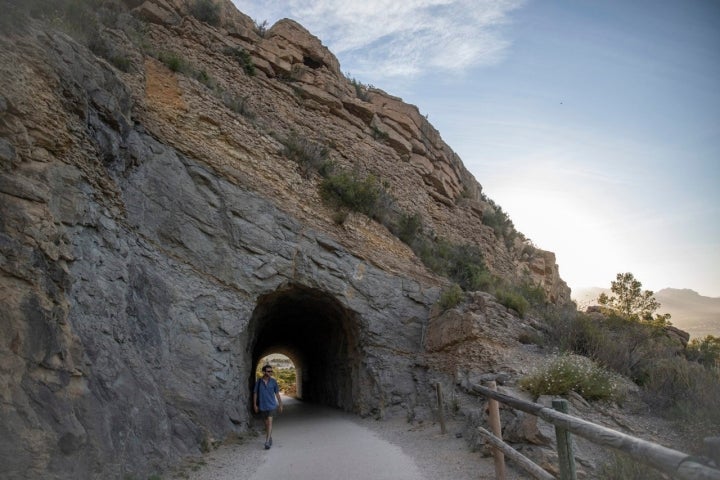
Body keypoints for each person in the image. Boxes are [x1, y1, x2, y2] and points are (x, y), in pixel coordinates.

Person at [253, 364, 283, 449]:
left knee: (270, 422)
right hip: (262, 406)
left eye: (271, 371)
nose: (270, 373)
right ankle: (270, 437)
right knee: (266, 424)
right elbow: (255, 393)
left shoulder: (273, 382)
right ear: (264, 372)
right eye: (268, 371)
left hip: (272, 406)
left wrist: (280, 404)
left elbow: (277, 393)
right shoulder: (258, 382)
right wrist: (255, 405)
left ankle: (267, 441)